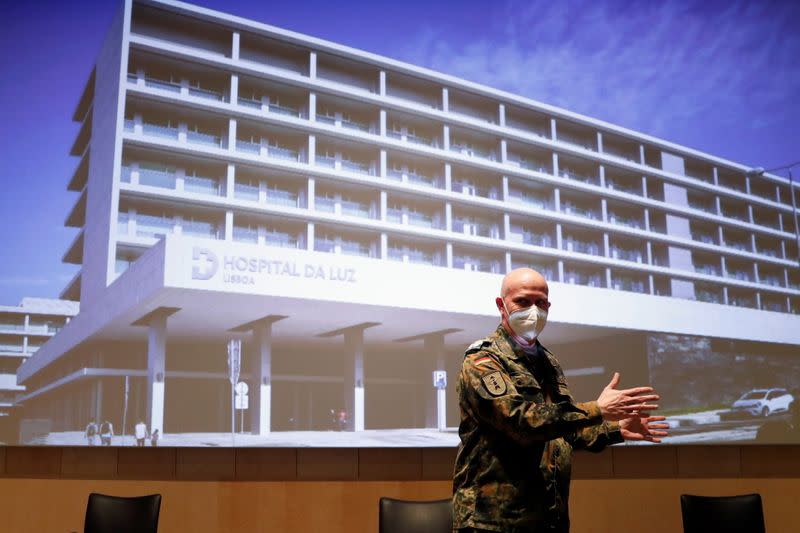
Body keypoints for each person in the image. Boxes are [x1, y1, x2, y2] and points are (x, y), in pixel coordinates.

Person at [452, 268, 668, 532]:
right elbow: (522, 423)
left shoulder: (547, 361)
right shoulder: (482, 360)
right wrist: (597, 409)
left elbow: (562, 433)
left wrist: (616, 429)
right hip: (493, 522)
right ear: (501, 305)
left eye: (541, 303)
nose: (534, 310)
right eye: (523, 301)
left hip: (548, 517)